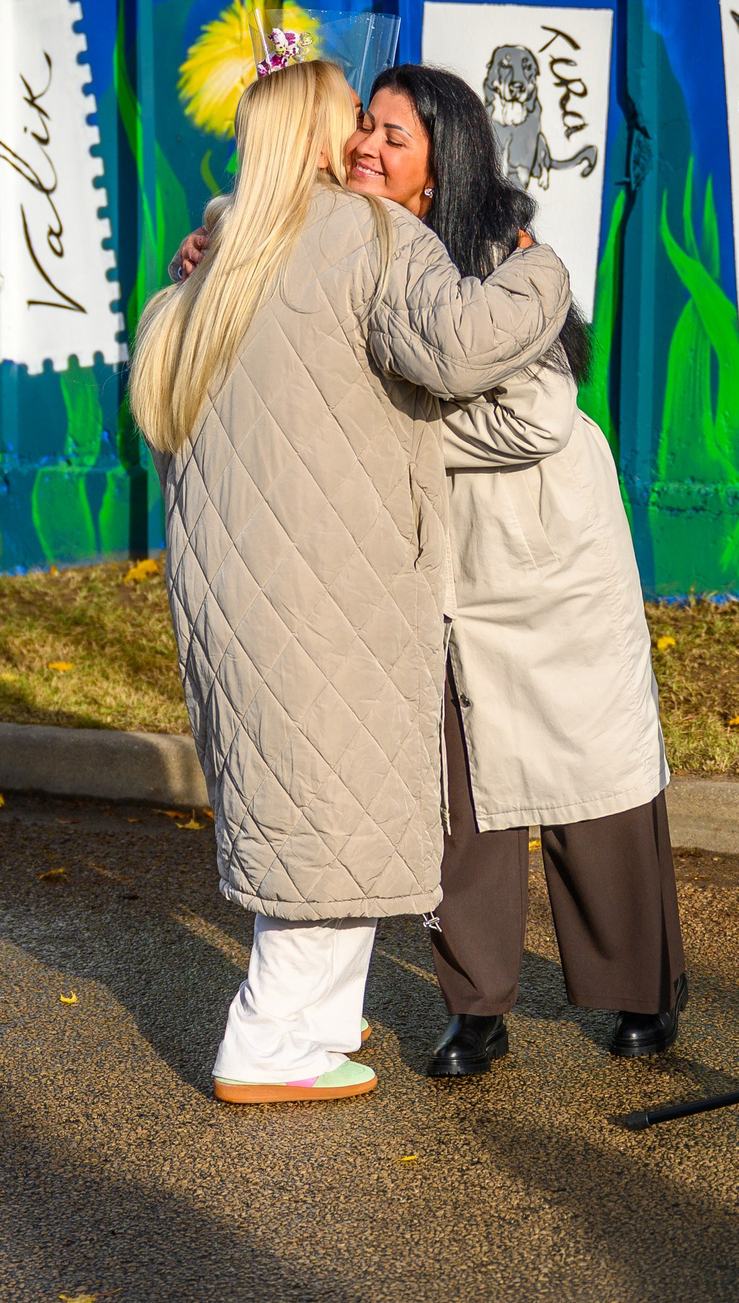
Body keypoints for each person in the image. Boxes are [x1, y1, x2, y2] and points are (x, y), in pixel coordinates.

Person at [174, 64, 686, 1081]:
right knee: (455, 792)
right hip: (424, 565)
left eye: (393, 135)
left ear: (442, 158)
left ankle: (638, 985)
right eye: (361, 124)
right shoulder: (331, 241)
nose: (365, 144)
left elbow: (533, 414)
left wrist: (386, 428)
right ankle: (475, 1005)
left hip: (538, 553)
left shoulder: (489, 256)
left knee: (593, 782)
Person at [129, 55, 571, 1107]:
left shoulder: (214, 263)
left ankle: (312, 1026)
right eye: (351, 125)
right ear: (322, 138)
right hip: (337, 584)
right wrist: (539, 268)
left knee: (306, 800)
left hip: (233, 589)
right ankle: (265, 1037)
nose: (363, 143)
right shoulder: (369, 236)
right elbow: (466, 345)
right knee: (335, 806)